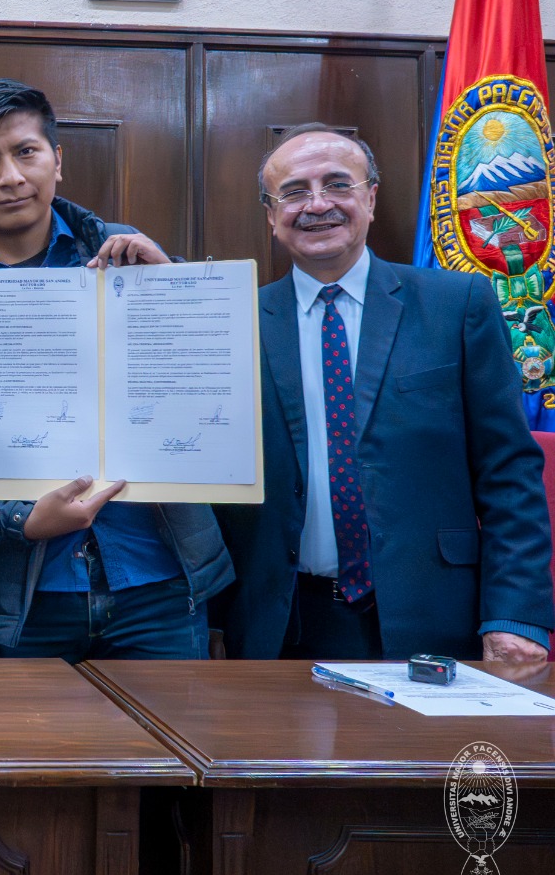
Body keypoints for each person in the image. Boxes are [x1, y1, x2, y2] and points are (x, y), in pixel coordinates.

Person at [0, 79, 232, 660]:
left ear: (57, 161)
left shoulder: (132, 259)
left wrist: (173, 292)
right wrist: (22, 522)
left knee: (167, 754)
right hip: (26, 604)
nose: (10, 177)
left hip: (157, 586)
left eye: (26, 152)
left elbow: (211, 397)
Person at [219, 123, 553, 662]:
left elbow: (508, 472)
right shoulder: (234, 321)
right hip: (281, 624)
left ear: (371, 199)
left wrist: (515, 616)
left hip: (436, 616)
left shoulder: (456, 304)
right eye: (295, 191)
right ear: (270, 214)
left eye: (337, 184)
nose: (317, 204)